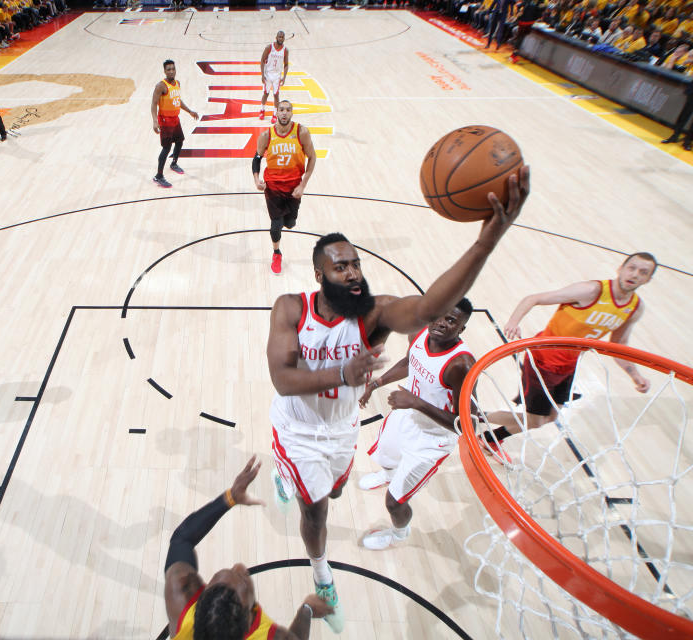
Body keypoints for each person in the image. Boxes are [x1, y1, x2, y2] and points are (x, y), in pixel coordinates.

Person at [267, 166, 530, 632]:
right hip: (299, 427)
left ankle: (292, 477)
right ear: (318, 274)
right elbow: (283, 379)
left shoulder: (376, 312)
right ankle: (322, 573)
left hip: (343, 427)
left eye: (355, 265)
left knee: (338, 488)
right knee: (316, 507)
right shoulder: (291, 307)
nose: (352, 274)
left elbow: (428, 308)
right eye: (340, 267)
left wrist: (488, 240)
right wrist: (342, 372)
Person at [483, 252, 656, 452]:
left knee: (551, 417)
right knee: (536, 420)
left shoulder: (634, 308)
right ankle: (486, 431)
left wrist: (635, 376)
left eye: (643, 272)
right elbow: (534, 298)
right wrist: (513, 321)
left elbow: (619, 345)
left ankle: (486, 427)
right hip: (543, 360)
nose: (634, 274)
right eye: (631, 268)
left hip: (569, 364)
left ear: (648, 279)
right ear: (621, 268)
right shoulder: (591, 291)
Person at [164, 456, 334, 639]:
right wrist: (307, 610)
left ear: (198, 608)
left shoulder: (180, 593)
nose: (239, 566)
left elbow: (182, 539)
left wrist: (230, 498)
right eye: (243, 579)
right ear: (247, 623)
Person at [355, 299, 477, 550]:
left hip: (432, 439)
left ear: (461, 329)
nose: (441, 323)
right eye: (440, 315)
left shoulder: (461, 365)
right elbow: (410, 361)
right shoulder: (421, 332)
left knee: (394, 503)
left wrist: (416, 402)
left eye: (451, 320)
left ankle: (399, 534)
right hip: (408, 416)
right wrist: (377, 383)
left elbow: (467, 424)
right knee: (386, 457)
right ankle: (389, 475)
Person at [252, 100, 316, 275]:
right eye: (281, 110)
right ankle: (276, 253)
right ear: (277, 112)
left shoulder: (301, 132)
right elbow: (256, 158)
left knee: (290, 223)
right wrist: (257, 179)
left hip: (294, 186)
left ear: (292, 113)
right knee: (276, 225)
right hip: (273, 187)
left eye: (288, 110)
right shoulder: (266, 135)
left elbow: (312, 157)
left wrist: (303, 185)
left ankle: (287, 222)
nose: (284, 113)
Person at [150, 59, 198, 188]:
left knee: (180, 141)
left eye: (173, 69)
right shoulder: (161, 86)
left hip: (175, 119)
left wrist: (189, 111)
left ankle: (174, 163)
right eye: (168, 69)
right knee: (166, 148)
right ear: (164, 71)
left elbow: (177, 100)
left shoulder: (177, 83)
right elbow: (154, 103)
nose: (171, 71)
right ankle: (158, 176)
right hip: (165, 121)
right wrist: (155, 121)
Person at [259, 30, 288, 124]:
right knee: (266, 94)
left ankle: (275, 114)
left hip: (277, 75)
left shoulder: (285, 50)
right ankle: (262, 110)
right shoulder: (269, 47)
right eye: (279, 37)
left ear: (284, 38)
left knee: (276, 95)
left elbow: (286, 64)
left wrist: (284, 76)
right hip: (268, 73)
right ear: (276, 37)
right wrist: (262, 75)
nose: (281, 38)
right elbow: (262, 60)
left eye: (282, 37)